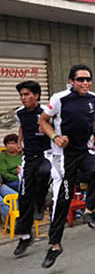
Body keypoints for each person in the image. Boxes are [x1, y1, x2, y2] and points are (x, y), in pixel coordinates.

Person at [39, 64, 95, 268]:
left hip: (84, 151)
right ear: (71, 81)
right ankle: (54, 245)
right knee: (63, 200)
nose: (85, 83)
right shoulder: (59, 99)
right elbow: (43, 122)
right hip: (64, 155)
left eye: (88, 79)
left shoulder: (93, 98)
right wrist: (55, 136)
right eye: (80, 79)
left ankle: (89, 210)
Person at [12, 81, 52, 255]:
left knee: (44, 172)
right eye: (21, 95)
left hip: (46, 154)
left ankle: (40, 202)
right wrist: (19, 143)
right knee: (23, 196)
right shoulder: (20, 113)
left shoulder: (46, 112)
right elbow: (22, 128)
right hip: (29, 157)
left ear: (36, 95)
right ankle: (25, 236)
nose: (23, 98)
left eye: (26, 94)